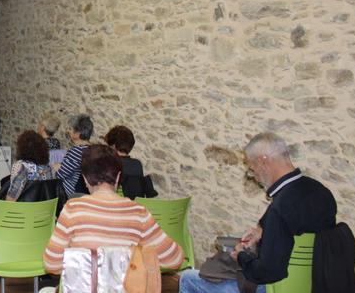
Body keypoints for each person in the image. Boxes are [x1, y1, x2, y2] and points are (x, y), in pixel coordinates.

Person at [179, 133, 337, 293]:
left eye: (252, 170)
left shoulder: (280, 208)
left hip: (273, 287)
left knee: (187, 278)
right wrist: (262, 230)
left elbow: (266, 272)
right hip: (312, 283)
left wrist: (241, 256)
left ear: (263, 161)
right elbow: (297, 225)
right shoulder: (321, 192)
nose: (255, 176)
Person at [44, 144, 184, 276]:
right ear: (118, 177)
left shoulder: (73, 209)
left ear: (85, 178)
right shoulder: (139, 212)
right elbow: (174, 259)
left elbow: (51, 263)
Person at [6, 131, 55, 201]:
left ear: (22, 148)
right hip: (44, 210)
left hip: (23, 210)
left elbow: (11, 199)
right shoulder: (49, 168)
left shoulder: (21, 167)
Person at [104, 125, 151, 199]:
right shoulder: (137, 164)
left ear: (113, 146)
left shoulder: (109, 163)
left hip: (114, 206)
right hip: (133, 207)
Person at [57, 114, 93, 196]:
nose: (68, 131)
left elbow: (59, 175)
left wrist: (55, 167)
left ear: (77, 133)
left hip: (71, 193)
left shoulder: (77, 151)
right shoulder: (93, 148)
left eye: (70, 129)